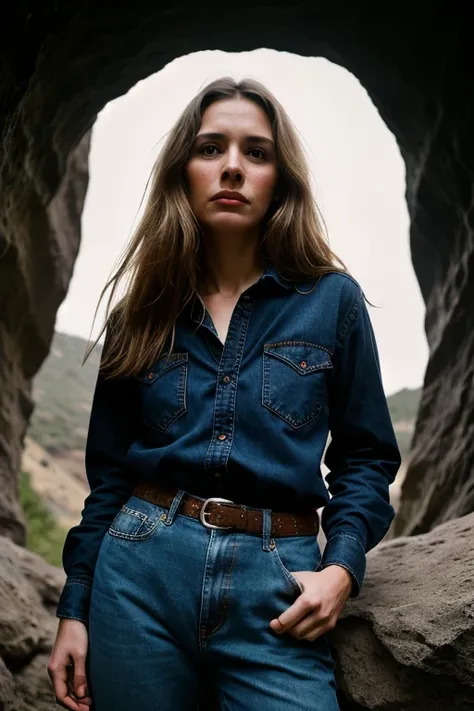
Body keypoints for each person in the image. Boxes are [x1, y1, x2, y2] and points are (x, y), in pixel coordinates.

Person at [47, 76, 401, 711]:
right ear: (182, 170)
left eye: (256, 152)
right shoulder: (142, 312)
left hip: (278, 584)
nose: (232, 167)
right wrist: (75, 608)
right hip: (138, 578)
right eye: (211, 148)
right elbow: (107, 476)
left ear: (280, 177)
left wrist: (341, 570)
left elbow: (367, 458)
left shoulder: (332, 301)